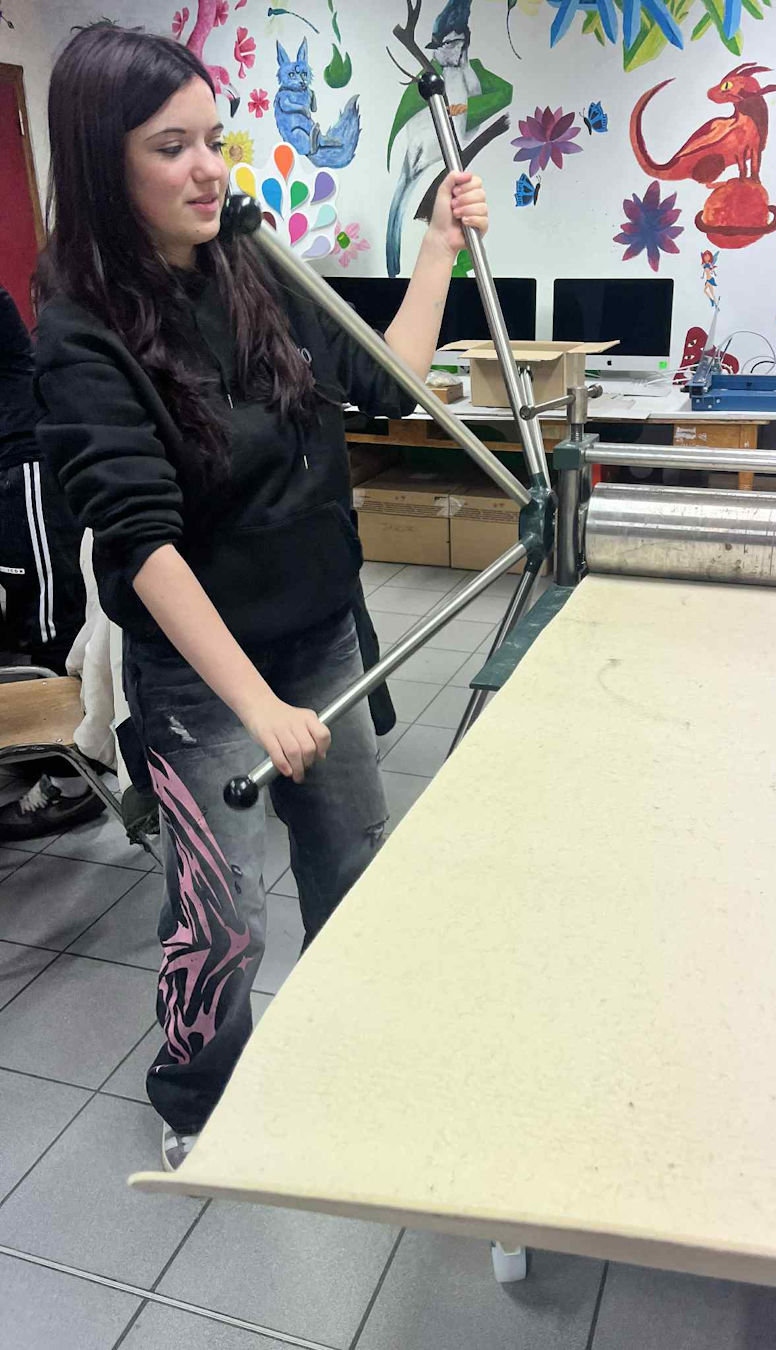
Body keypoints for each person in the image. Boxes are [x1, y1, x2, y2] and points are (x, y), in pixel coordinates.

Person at [35, 23, 489, 1170]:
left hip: (320, 633)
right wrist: (259, 708)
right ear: (102, 162)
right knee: (221, 914)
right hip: (201, 680)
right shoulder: (81, 329)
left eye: (215, 139)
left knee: (353, 861)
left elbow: (384, 382)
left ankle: (346, 1046)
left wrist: (438, 246)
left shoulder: (253, 261)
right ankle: (197, 1095)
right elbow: (140, 542)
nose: (209, 170)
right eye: (170, 147)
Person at [0, 283, 107, 838]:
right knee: (34, 615)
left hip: (25, 467)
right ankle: (48, 742)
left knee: (51, 618)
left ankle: (74, 781)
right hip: (12, 469)